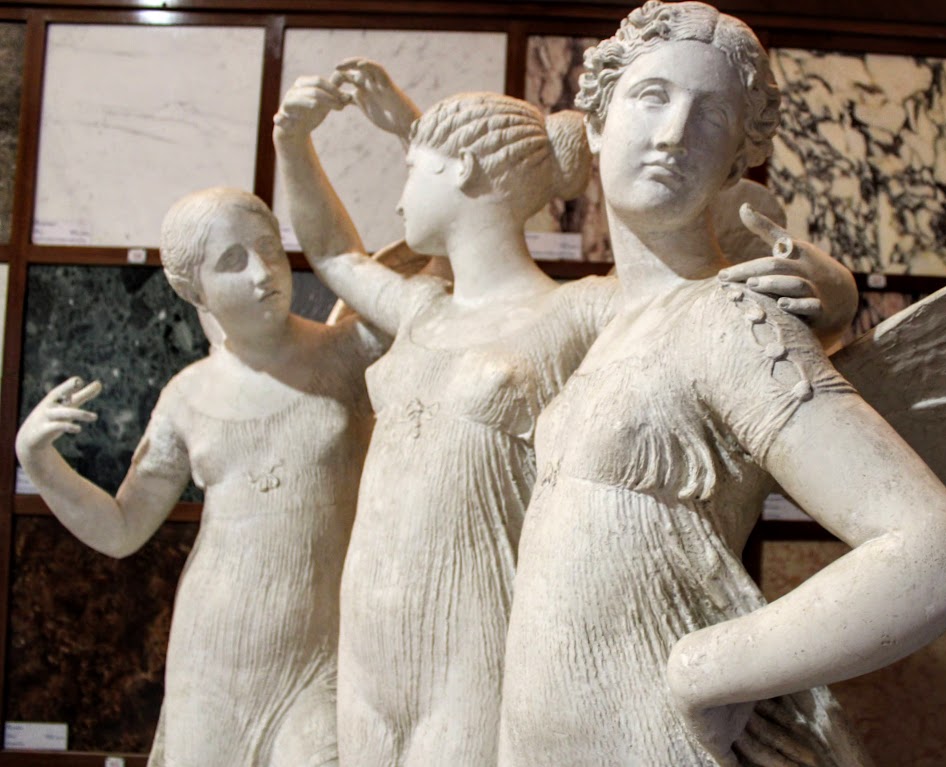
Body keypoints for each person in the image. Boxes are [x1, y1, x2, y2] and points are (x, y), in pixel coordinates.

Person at [273, 59, 856, 767]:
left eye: (412, 170)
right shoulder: (419, 309)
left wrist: (834, 290)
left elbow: (709, 295)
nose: (398, 202)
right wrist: (291, 141)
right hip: (368, 636)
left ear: (461, 171)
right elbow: (334, 253)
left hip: (480, 636)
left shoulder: (577, 310)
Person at [498, 3, 946, 766]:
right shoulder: (614, 322)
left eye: (711, 115)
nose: (673, 133)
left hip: (652, 738)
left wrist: (708, 667)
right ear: (595, 121)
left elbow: (933, 550)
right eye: (651, 96)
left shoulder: (728, 320)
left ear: (736, 160)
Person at [15, 188, 383, 767]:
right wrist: (38, 460)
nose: (263, 273)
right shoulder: (186, 397)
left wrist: (295, 146)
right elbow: (121, 529)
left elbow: (364, 272)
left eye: (270, 248)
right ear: (192, 289)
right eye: (233, 261)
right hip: (215, 653)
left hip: (322, 655)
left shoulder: (347, 352)